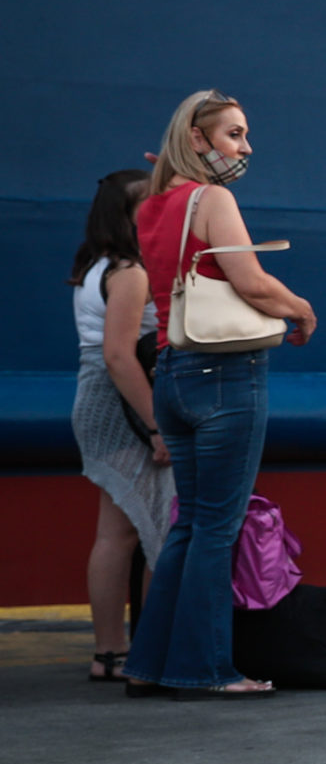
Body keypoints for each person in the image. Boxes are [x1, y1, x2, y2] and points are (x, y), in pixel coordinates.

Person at [124, 91, 317, 699]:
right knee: (217, 528)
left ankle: (150, 662)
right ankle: (207, 668)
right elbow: (251, 281)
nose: (245, 147)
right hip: (226, 376)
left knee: (188, 527)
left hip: (173, 373)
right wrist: (302, 309)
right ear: (199, 138)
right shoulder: (213, 198)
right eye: (234, 135)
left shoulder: (152, 205)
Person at [68, 168, 171, 682]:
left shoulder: (98, 266)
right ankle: (150, 649)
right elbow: (118, 356)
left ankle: (111, 652)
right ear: (128, 215)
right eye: (151, 203)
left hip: (100, 404)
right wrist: (157, 426)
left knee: (117, 533)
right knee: (155, 530)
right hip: (123, 407)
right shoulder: (130, 272)